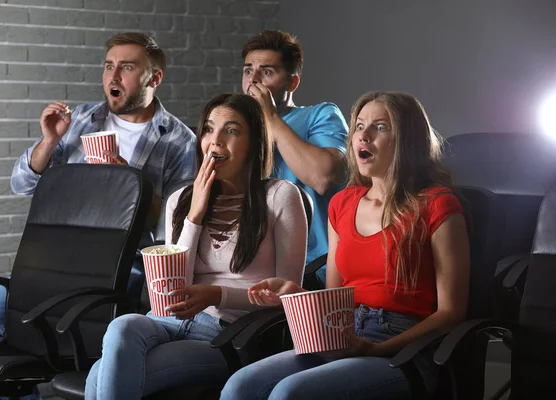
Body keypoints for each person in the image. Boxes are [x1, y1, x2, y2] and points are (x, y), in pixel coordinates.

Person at [0, 32, 195, 400]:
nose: (113, 76)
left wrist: (131, 183)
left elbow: (177, 227)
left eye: (127, 67)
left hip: (124, 263)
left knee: (84, 337)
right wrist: (49, 142)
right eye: (109, 66)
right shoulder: (81, 119)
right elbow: (21, 184)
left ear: (154, 78)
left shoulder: (179, 141)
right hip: (55, 259)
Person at [220, 91, 471, 400]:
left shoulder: (438, 205)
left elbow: (451, 312)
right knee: (240, 386)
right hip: (344, 333)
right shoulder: (342, 203)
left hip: (404, 348)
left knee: (290, 393)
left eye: (380, 127)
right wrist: (294, 293)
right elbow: (333, 298)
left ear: (407, 139)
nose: (363, 136)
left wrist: (378, 348)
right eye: (360, 126)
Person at [84, 93, 308, 399]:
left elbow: (290, 296)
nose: (215, 142)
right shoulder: (181, 200)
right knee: (123, 327)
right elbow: (169, 289)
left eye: (231, 131)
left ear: (255, 142)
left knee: (101, 374)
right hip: (169, 321)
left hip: (229, 333)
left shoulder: (280, 196)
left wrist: (218, 294)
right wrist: (195, 215)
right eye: (208, 129)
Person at [241, 30, 349, 284]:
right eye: (248, 71)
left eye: (266, 72)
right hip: (250, 264)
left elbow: (324, 177)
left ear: (292, 83)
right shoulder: (236, 127)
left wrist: (271, 118)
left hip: (310, 268)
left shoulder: (320, 115)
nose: (252, 81)